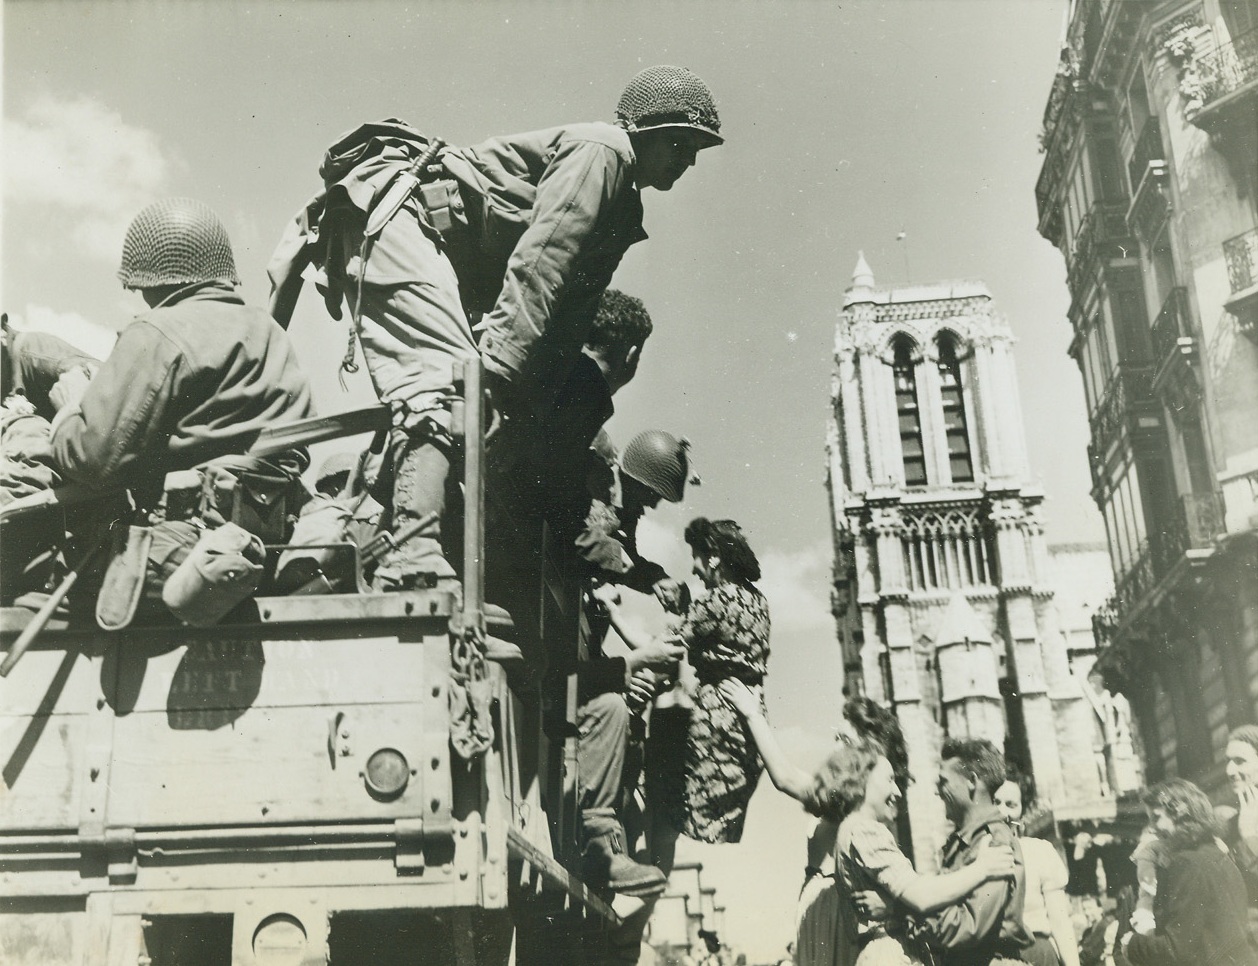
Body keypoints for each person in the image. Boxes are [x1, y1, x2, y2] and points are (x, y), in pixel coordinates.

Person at [268, 66, 722, 589]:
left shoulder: (621, 195)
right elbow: (541, 264)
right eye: (680, 143)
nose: (688, 160)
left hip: (423, 241)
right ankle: (408, 559)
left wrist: (518, 399)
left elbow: (564, 318)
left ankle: (329, 563)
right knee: (446, 392)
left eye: (697, 150)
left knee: (468, 414)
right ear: (646, 128)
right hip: (399, 221)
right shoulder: (605, 154)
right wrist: (497, 372)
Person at [50, 197, 314, 624]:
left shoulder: (157, 330)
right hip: (264, 549)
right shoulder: (268, 332)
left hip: (174, 552)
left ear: (146, 275)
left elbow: (90, 458)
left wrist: (67, 409)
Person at [719, 682, 1019, 966]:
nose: (837, 743)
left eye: (846, 740)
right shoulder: (850, 805)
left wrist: (752, 714)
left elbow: (784, 777)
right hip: (829, 912)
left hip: (837, 914)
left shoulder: (848, 805)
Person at [907, 738, 1033, 965]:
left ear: (972, 781)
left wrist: (907, 910)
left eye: (943, 781)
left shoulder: (994, 841)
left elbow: (968, 926)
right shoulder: (965, 840)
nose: (937, 791)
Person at [1118, 778, 1258, 966]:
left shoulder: (1185, 864)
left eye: (1156, 817)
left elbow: (1177, 949)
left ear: (1180, 815)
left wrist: (1132, 945)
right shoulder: (1217, 855)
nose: (1152, 827)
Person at [994, 772, 1081, 966]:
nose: (1003, 813)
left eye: (1011, 805)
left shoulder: (1039, 851)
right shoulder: (971, 854)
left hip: (1035, 954)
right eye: (995, 802)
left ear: (1022, 811)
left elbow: (1060, 921)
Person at [1219, 724, 1258, 905]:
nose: (1229, 771)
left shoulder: (1244, 824)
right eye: (1228, 761)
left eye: (1240, 761)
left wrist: (1250, 836)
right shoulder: (1233, 823)